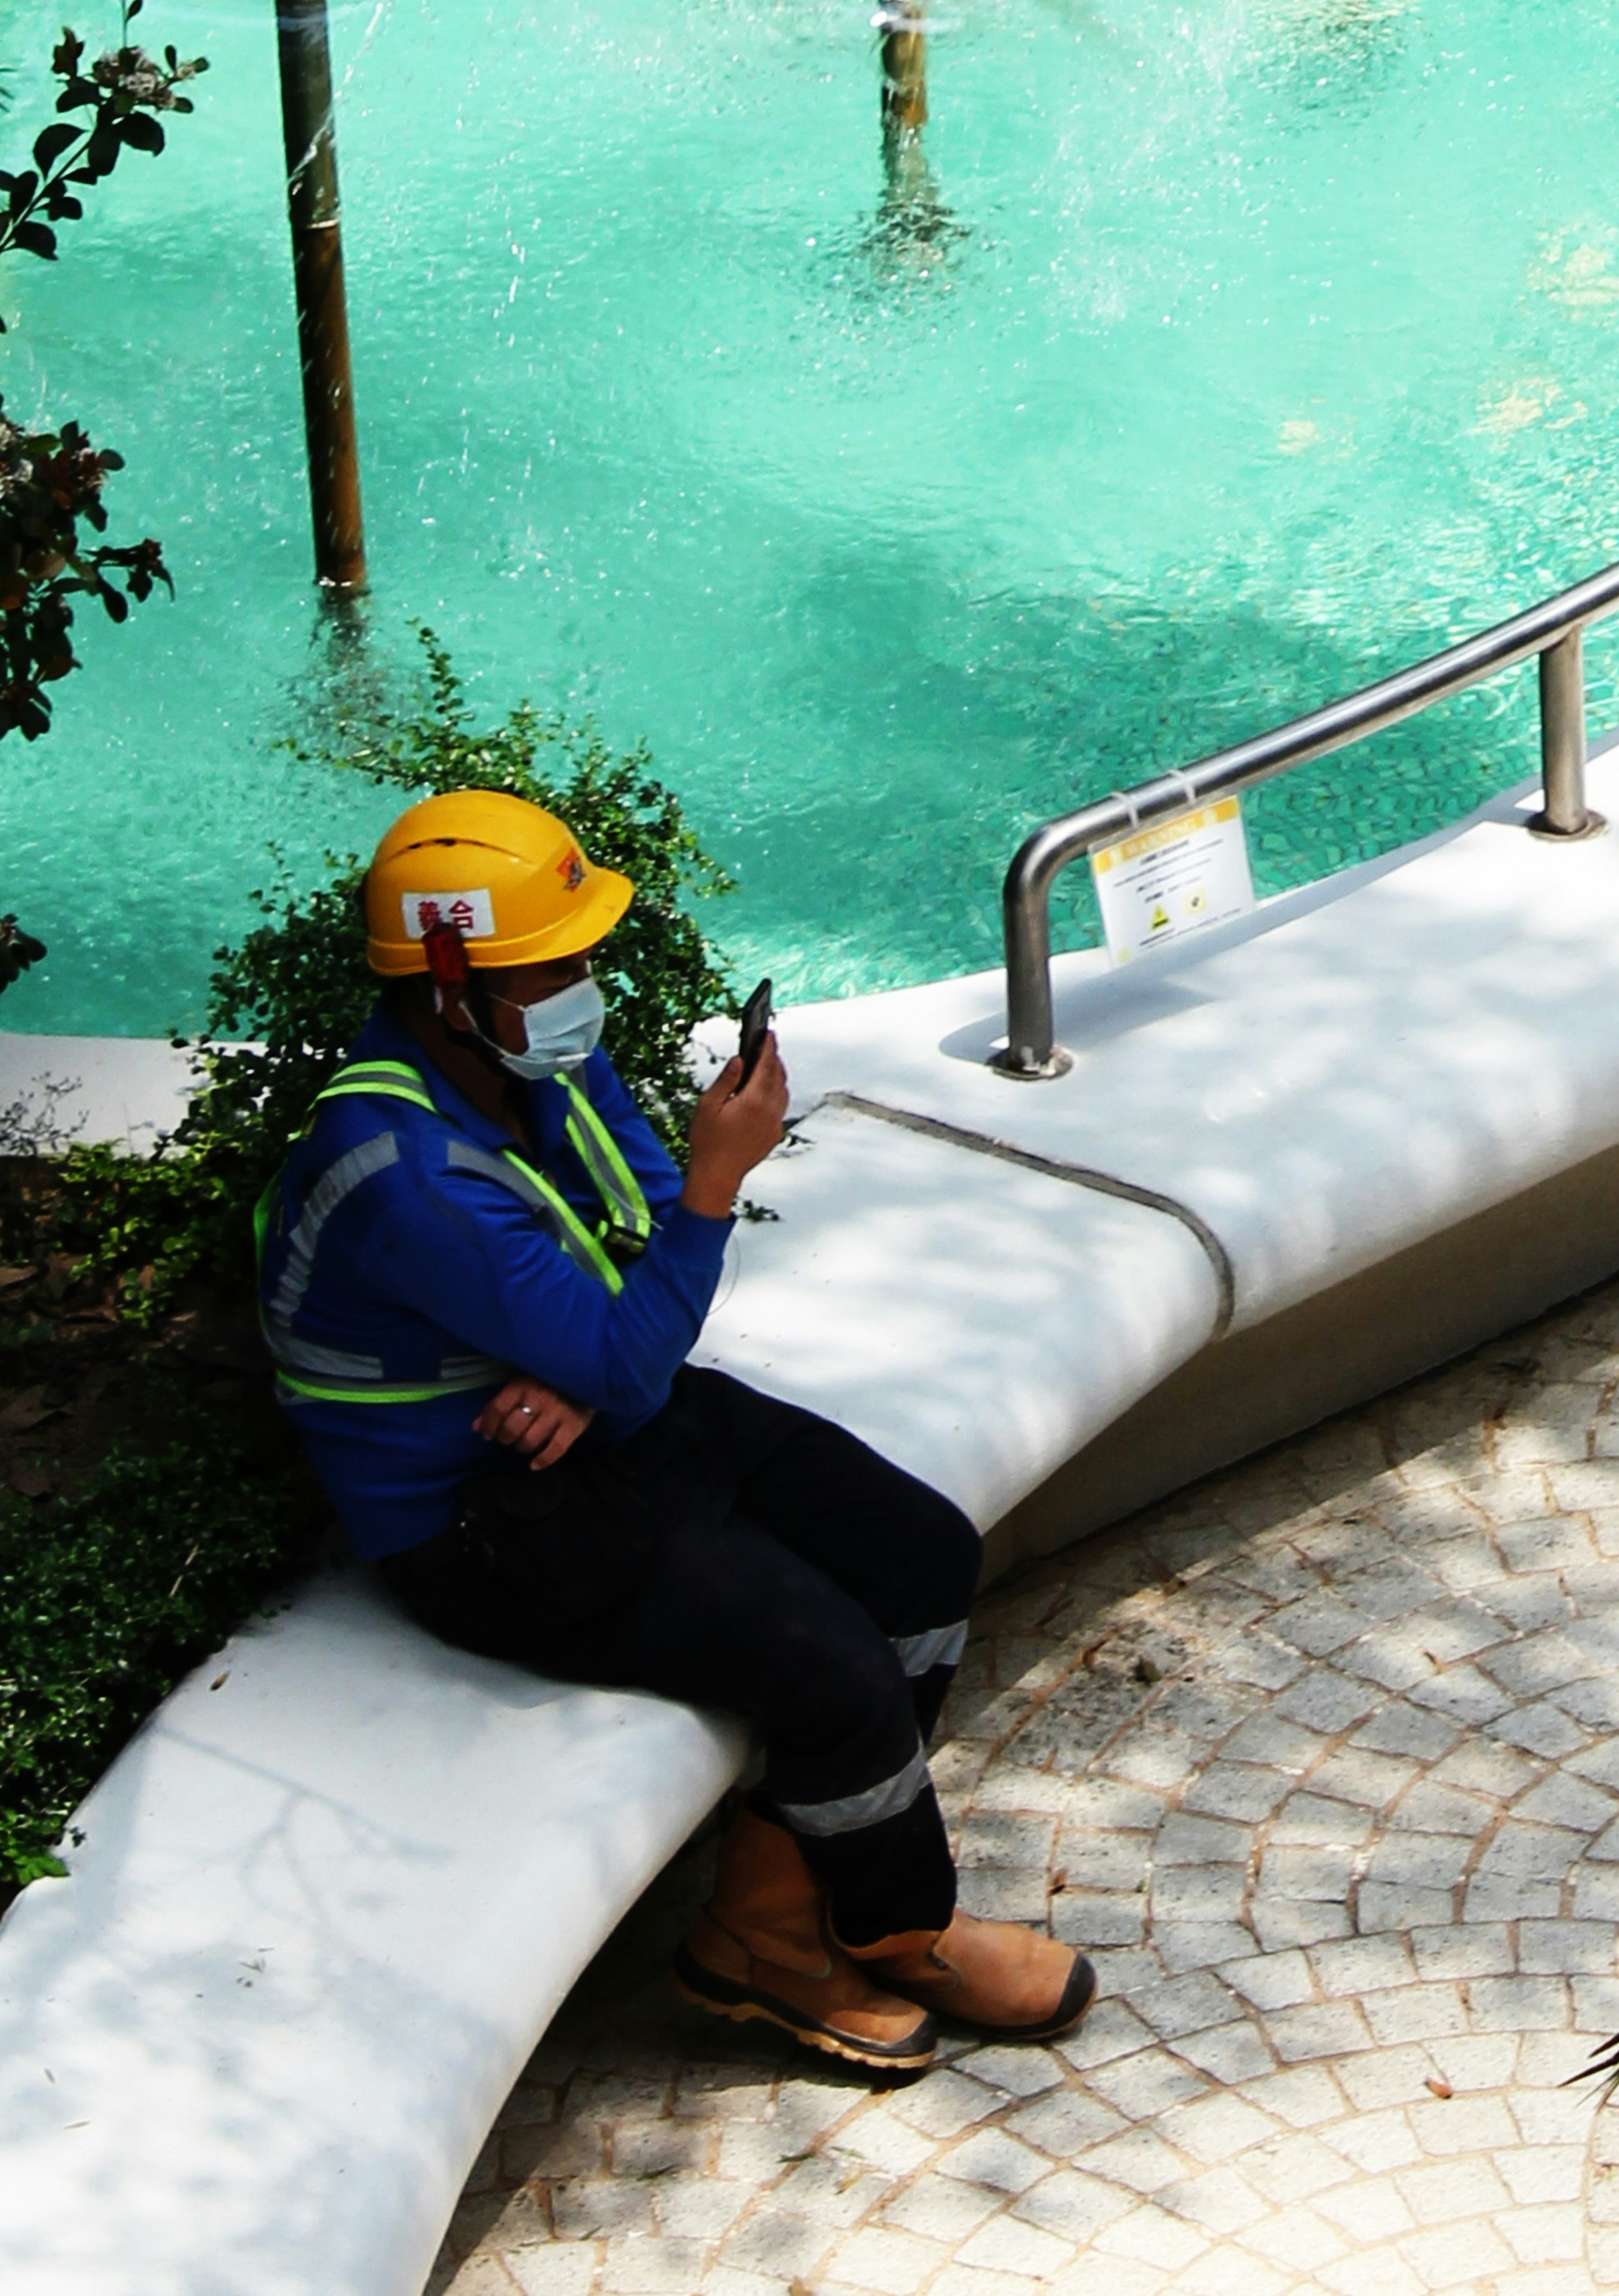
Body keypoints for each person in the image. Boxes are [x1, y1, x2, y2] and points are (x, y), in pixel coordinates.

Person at [257, 786, 1091, 2081]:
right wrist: (690, 1226)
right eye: (554, 966)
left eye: (582, 954)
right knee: (832, 1668)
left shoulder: (535, 1059)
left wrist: (598, 1363)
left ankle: (764, 1918)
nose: (583, 987)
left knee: (921, 1552)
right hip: (480, 1516)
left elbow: (645, 1246)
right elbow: (666, 1257)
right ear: (445, 983)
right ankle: (891, 1928)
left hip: (587, 1429)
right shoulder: (402, 1171)